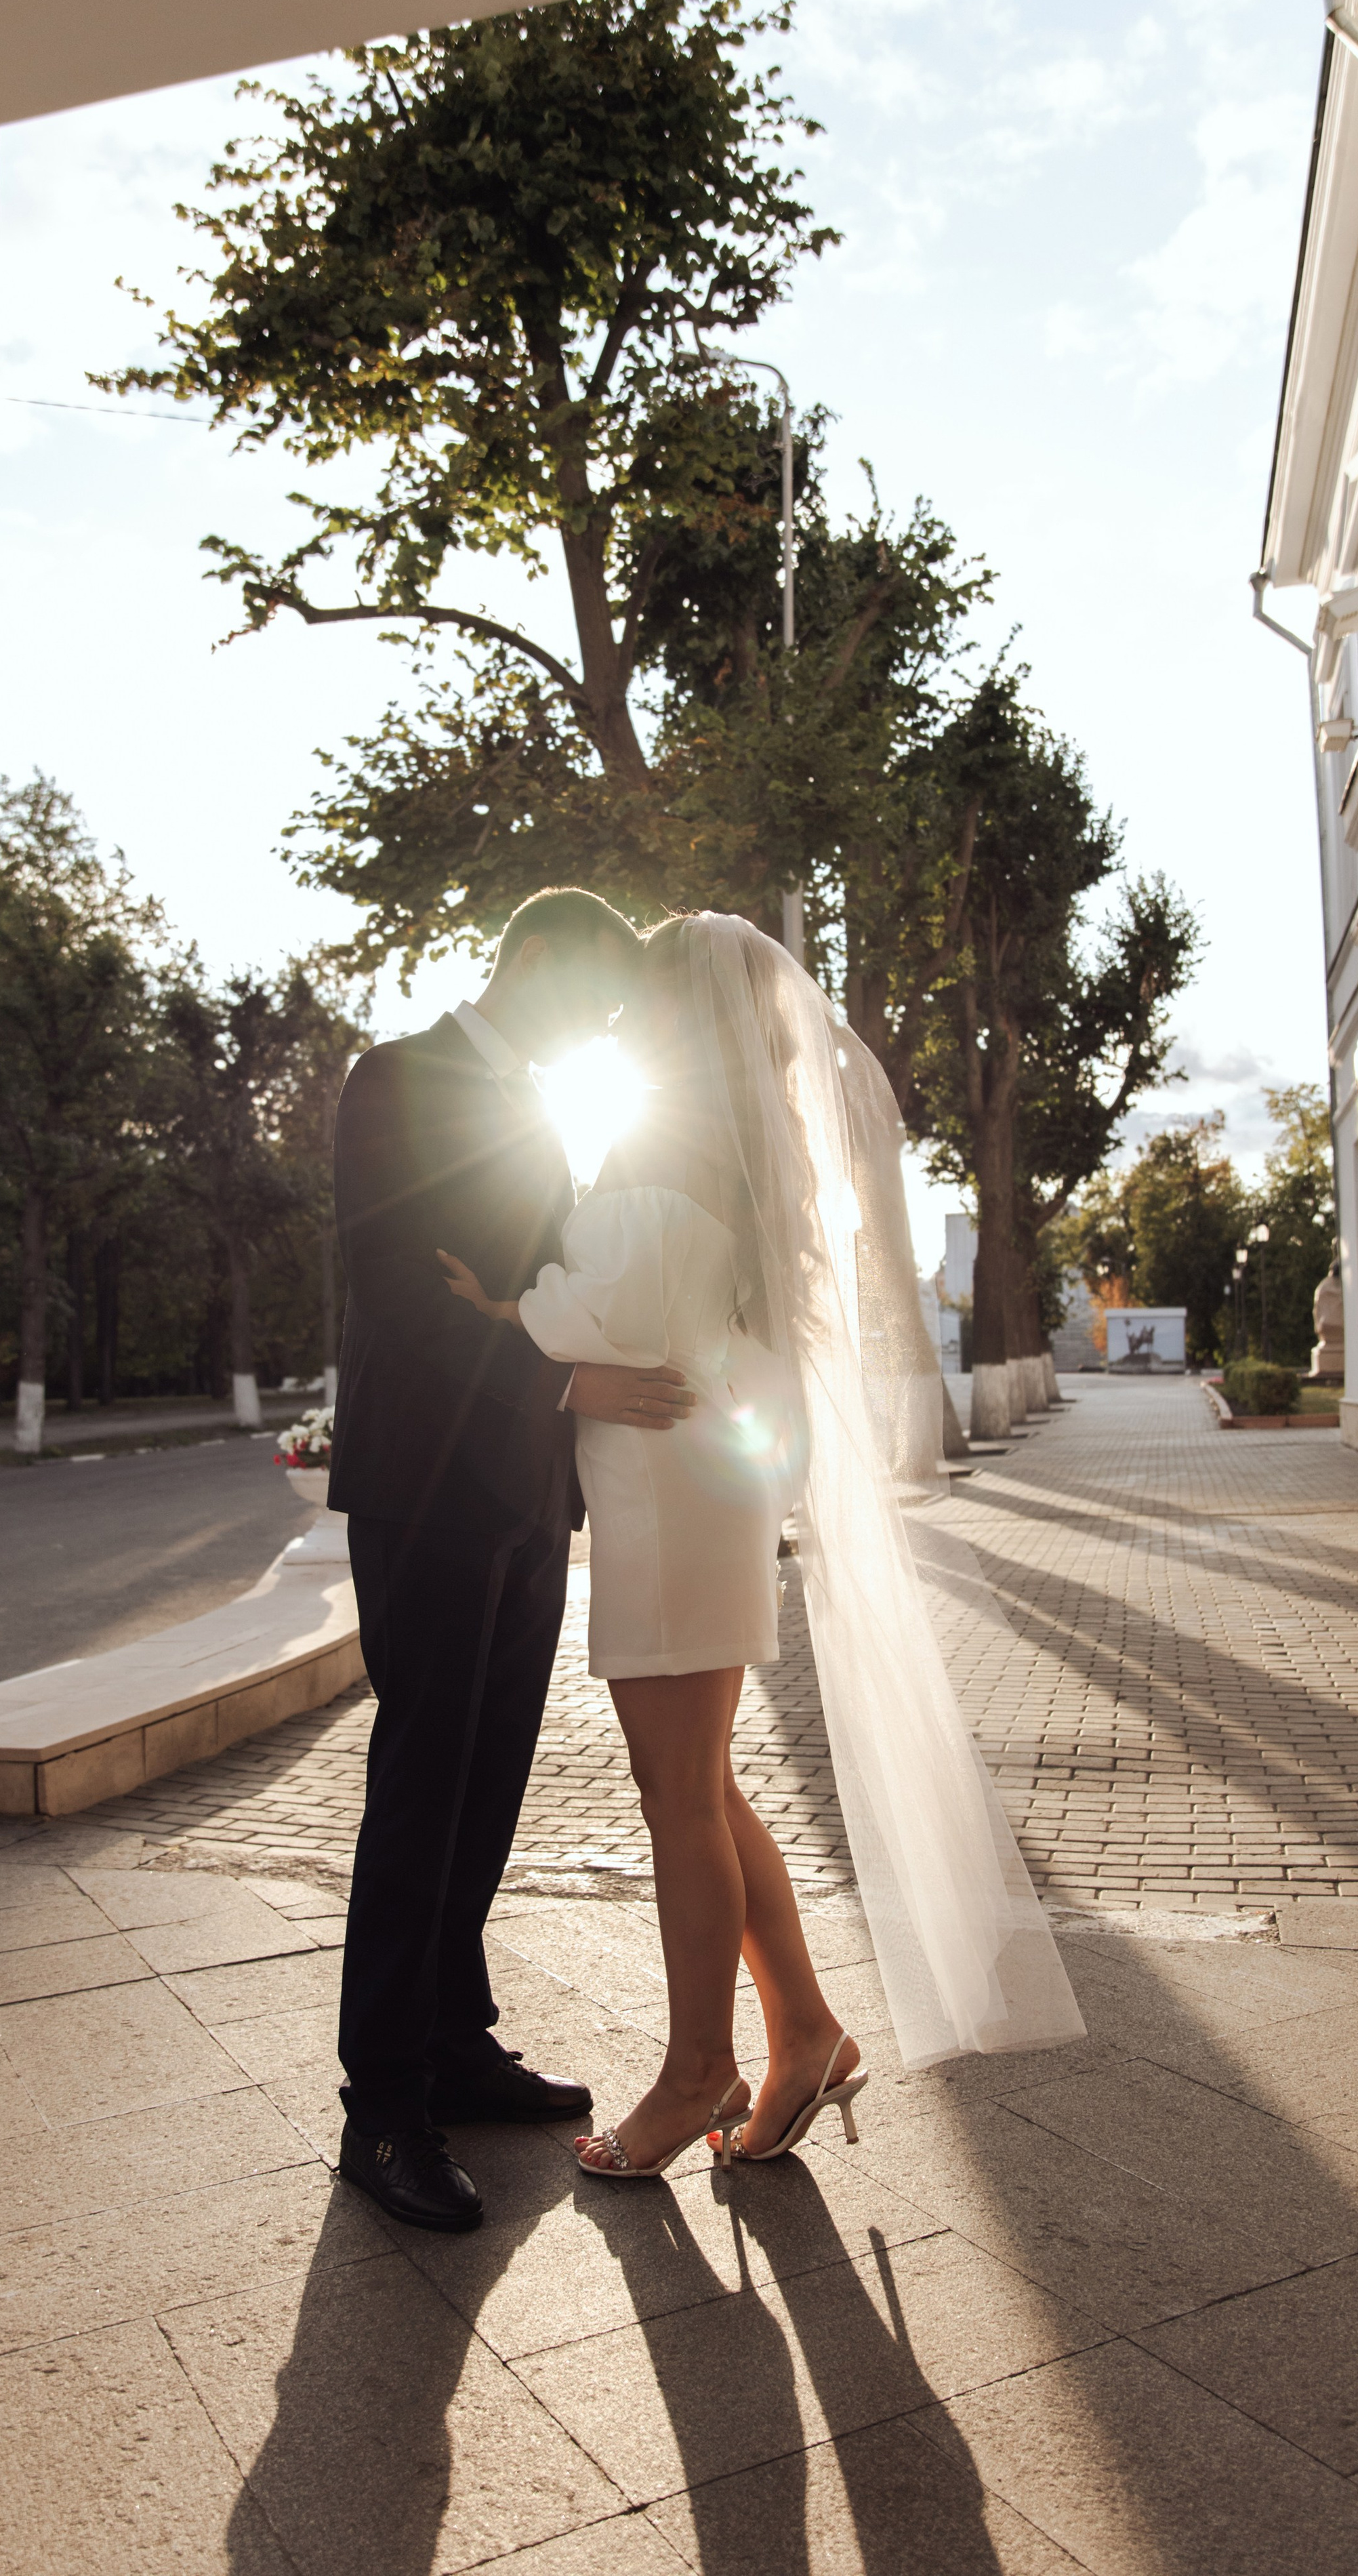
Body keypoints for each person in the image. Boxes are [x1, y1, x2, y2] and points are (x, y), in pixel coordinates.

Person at [440, 911, 1086, 2183]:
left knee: (677, 1794)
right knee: (706, 1787)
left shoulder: (664, 1144)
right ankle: (804, 2031)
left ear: (684, 1011)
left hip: (665, 1498)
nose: (625, 1015)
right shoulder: (735, 1148)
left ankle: (698, 2072)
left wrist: (507, 1307)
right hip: (693, 1491)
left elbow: (607, 1308)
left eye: (647, 995)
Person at [328, 886, 698, 2234]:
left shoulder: (544, 1117)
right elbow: (400, 1298)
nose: (595, 1026)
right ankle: (382, 2108)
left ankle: (456, 2041)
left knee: (489, 1780)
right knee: (422, 1778)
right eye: (587, 999)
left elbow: (532, 1293)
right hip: (424, 1489)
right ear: (530, 958)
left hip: (527, 1499)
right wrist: (566, 1384)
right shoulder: (395, 1080)